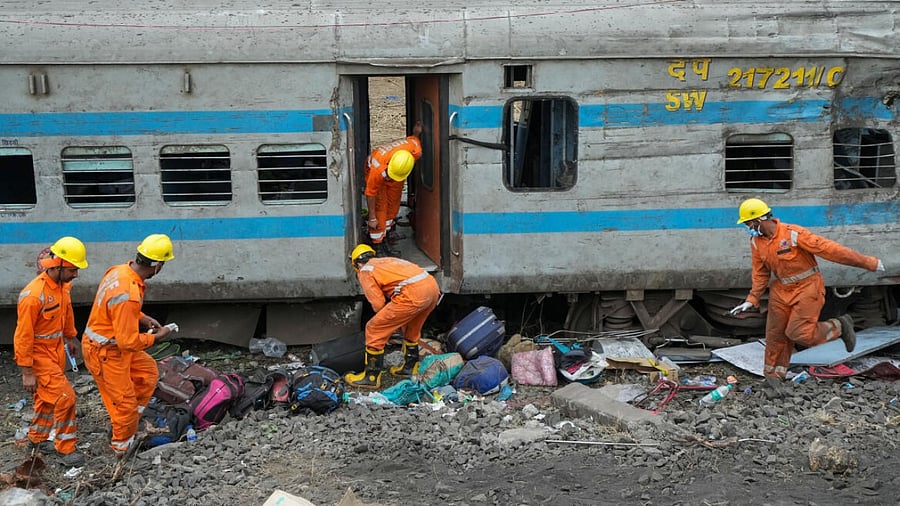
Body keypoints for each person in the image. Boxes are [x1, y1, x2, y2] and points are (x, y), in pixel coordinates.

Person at [729, 198, 885, 379]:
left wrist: (868, 263)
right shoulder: (756, 242)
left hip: (807, 287)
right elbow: (760, 273)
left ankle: (839, 326)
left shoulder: (793, 234)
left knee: (799, 333)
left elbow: (830, 250)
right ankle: (773, 379)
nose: (747, 227)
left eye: (748, 223)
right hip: (780, 289)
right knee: (775, 336)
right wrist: (751, 299)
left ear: (759, 220)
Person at [82, 233, 176, 457]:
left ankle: (130, 424)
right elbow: (128, 342)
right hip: (106, 352)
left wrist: (142, 318)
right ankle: (121, 451)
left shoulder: (119, 271)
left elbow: (115, 308)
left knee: (148, 372)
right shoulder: (129, 293)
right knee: (123, 404)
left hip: (111, 347)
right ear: (158, 265)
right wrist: (157, 336)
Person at [13, 237, 89, 467]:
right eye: (73, 269)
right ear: (58, 265)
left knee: (46, 399)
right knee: (65, 397)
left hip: (55, 352)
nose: (76, 274)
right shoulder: (33, 296)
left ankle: (36, 440)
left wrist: (69, 336)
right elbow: (22, 336)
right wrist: (27, 371)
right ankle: (65, 448)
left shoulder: (62, 287)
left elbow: (65, 313)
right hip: (39, 357)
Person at [345, 244, 441, 389]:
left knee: (374, 328)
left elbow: (378, 304)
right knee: (411, 328)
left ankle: (371, 377)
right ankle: (410, 368)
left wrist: (387, 325)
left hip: (413, 294)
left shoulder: (365, 270)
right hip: (432, 288)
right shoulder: (386, 261)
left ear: (357, 263)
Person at [364, 122, 423, 257]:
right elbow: (370, 193)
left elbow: (413, 138)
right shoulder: (377, 168)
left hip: (396, 175)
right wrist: (372, 217)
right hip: (376, 176)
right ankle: (378, 245)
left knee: (393, 204)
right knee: (380, 208)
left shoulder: (414, 150)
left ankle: (388, 234)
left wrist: (416, 132)